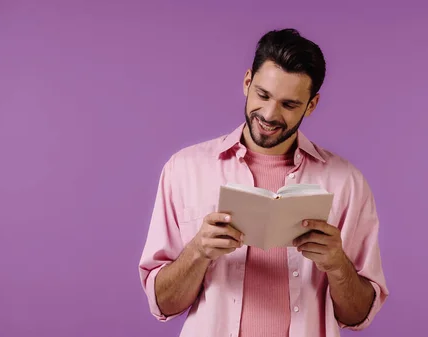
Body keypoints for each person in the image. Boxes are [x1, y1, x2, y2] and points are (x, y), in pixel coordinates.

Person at [138, 28, 389, 337]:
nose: (269, 114)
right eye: (263, 95)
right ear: (247, 82)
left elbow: (358, 316)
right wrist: (197, 252)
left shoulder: (347, 182)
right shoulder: (184, 170)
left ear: (311, 105)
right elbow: (163, 304)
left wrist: (338, 264)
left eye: (289, 104)